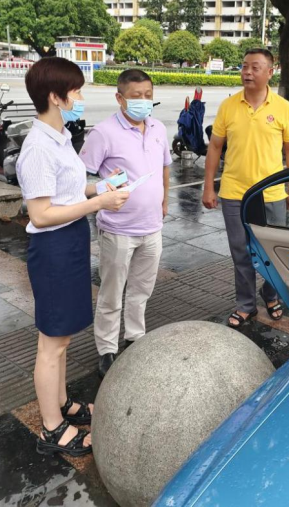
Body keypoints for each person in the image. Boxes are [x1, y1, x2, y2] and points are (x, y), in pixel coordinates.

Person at [16, 57, 128, 456]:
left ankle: (62, 404)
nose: (80, 97)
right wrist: (99, 204)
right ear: (55, 96)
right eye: (76, 91)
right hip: (54, 249)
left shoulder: (60, 138)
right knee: (52, 343)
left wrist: (99, 189)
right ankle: (52, 429)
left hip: (71, 241)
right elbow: (41, 214)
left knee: (62, 338)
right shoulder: (37, 148)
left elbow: (67, 192)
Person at [79, 69, 171, 378]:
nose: (144, 101)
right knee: (111, 293)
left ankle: (135, 337)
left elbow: (165, 167)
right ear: (120, 98)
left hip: (152, 227)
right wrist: (99, 193)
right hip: (118, 229)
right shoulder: (103, 133)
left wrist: (164, 200)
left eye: (148, 95)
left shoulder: (158, 128)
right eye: (136, 96)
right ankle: (106, 348)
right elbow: (80, 177)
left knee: (141, 290)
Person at [202, 48, 289, 328]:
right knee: (240, 251)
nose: (247, 72)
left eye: (255, 67)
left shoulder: (282, 107)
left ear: (270, 72)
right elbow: (215, 147)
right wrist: (208, 187)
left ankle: (271, 295)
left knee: (272, 251)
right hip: (235, 192)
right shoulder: (229, 106)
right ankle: (246, 304)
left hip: (272, 192)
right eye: (245, 66)